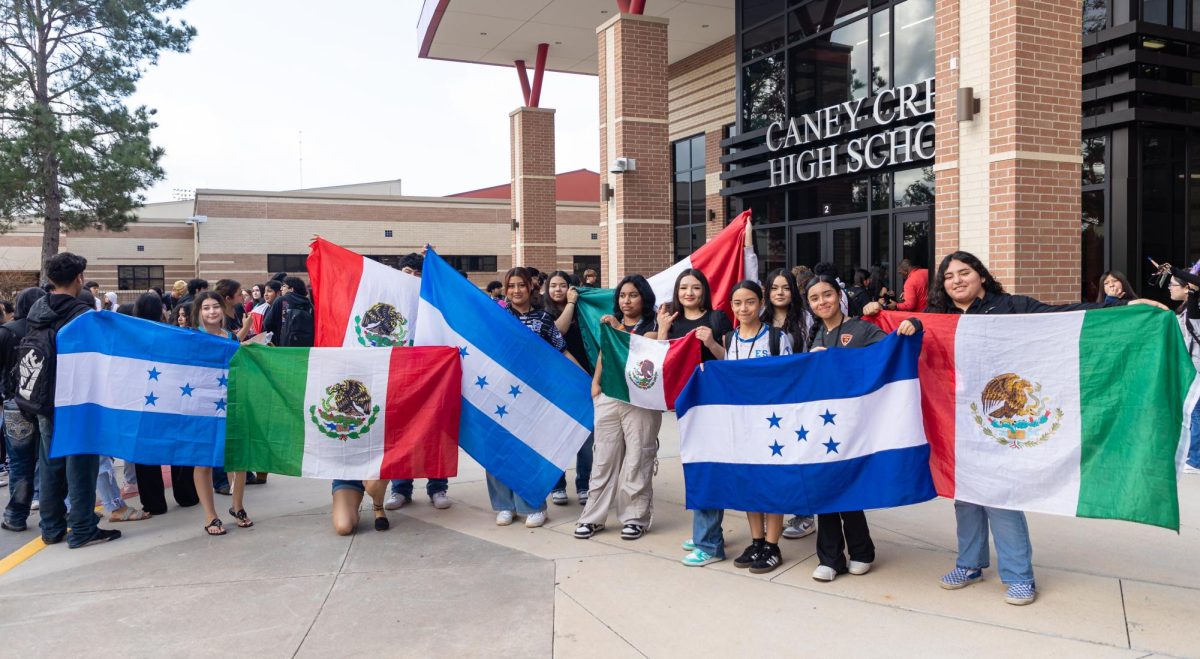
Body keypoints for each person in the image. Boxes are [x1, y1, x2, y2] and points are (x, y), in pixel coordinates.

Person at [912, 251, 1161, 605]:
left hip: (1002, 422)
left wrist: (1126, 307)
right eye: (949, 276)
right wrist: (881, 317)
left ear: (980, 275)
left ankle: (1018, 576)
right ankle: (969, 563)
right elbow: (908, 335)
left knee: (1001, 496)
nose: (956, 281)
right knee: (965, 495)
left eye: (964, 272)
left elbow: (1064, 316)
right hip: (959, 420)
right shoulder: (939, 316)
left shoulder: (1012, 307)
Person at [807, 275, 919, 582]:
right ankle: (830, 558)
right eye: (814, 298)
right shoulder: (812, 334)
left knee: (850, 488)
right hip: (822, 425)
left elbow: (893, 351)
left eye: (827, 294)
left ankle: (861, 551)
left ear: (839, 295)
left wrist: (912, 325)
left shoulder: (862, 327)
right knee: (825, 489)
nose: (822, 302)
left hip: (856, 424)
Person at [28, 253, 122, 548]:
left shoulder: (37, 309)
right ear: (79, 278)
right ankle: (82, 528)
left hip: (43, 399)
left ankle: (52, 527)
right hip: (76, 400)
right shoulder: (81, 314)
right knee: (82, 464)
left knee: (51, 463)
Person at [487, 267, 580, 528]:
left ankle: (533, 505)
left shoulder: (543, 319)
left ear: (531, 287)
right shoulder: (495, 316)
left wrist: (589, 381)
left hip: (533, 396)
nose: (516, 290)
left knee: (531, 451)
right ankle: (505, 505)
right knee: (499, 449)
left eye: (521, 285)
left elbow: (561, 353)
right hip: (498, 393)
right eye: (511, 286)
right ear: (506, 290)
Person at [658, 269, 735, 567]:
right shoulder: (671, 320)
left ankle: (710, 544)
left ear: (705, 291)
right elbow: (660, 362)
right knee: (696, 467)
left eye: (695, 288)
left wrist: (712, 343)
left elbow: (732, 359)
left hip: (714, 406)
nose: (689, 293)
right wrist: (663, 330)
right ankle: (706, 533)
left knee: (707, 469)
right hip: (686, 405)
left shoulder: (717, 319)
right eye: (684, 288)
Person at [573, 274, 659, 541]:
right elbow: (604, 353)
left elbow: (642, 352)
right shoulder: (613, 324)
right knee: (603, 458)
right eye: (622, 295)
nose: (626, 300)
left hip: (640, 400)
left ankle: (635, 518)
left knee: (638, 458)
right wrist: (595, 384)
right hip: (609, 396)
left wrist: (618, 329)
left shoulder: (653, 325)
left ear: (643, 297)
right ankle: (593, 517)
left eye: (633, 295)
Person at [721, 280, 795, 574]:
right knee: (750, 482)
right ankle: (757, 540)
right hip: (743, 424)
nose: (743, 308)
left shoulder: (777, 338)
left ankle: (773, 545)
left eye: (750, 302)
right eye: (737, 303)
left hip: (772, 423)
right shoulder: (729, 340)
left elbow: (790, 377)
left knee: (772, 482)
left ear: (761, 303)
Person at [383, 253, 452, 511]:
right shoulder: (391, 301)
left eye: (416, 272)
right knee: (400, 431)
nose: (410, 276)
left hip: (432, 373)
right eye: (406, 271)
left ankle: (438, 486)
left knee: (435, 429)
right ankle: (400, 487)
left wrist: (436, 263)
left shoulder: (434, 299)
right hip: (400, 375)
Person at [760, 269, 816, 541]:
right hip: (767, 400)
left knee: (799, 455)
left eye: (785, 287)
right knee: (776, 456)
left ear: (794, 291)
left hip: (796, 396)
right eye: (774, 288)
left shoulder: (805, 319)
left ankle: (805, 514)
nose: (780, 292)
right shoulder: (761, 318)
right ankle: (779, 510)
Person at [191, 291, 252, 536]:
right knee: (203, 461)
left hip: (232, 403)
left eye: (215, 306)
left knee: (238, 458)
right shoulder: (192, 337)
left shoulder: (230, 337)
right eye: (206, 308)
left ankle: (237, 507)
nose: (212, 312)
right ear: (199, 312)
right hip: (201, 408)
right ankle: (210, 516)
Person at [544, 271, 594, 506]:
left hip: (585, 380)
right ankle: (557, 485)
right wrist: (572, 302)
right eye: (553, 285)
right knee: (557, 436)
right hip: (556, 383)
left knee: (586, 436)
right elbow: (558, 331)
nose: (557, 290)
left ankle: (584, 484)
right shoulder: (542, 314)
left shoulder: (584, 309)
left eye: (562, 285)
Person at [0, 287, 47, 532]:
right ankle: (53, 513)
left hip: (15, 405)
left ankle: (16, 516)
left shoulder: (6, 333)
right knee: (49, 459)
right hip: (45, 404)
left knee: (19, 463)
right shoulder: (49, 330)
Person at [1156, 260, 1200, 473]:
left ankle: (1196, 459)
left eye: (1173, 284)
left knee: (1196, 412)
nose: (1169, 288)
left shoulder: (1194, 309)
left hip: (1197, 368)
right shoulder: (1183, 310)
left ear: (1187, 287)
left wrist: (1174, 270)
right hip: (1191, 367)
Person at [261, 276, 313, 348]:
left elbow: (267, 323)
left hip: (282, 345)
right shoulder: (308, 303)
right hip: (304, 347)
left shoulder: (282, 300)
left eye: (284, 286)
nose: (281, 288)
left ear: (291, 289)